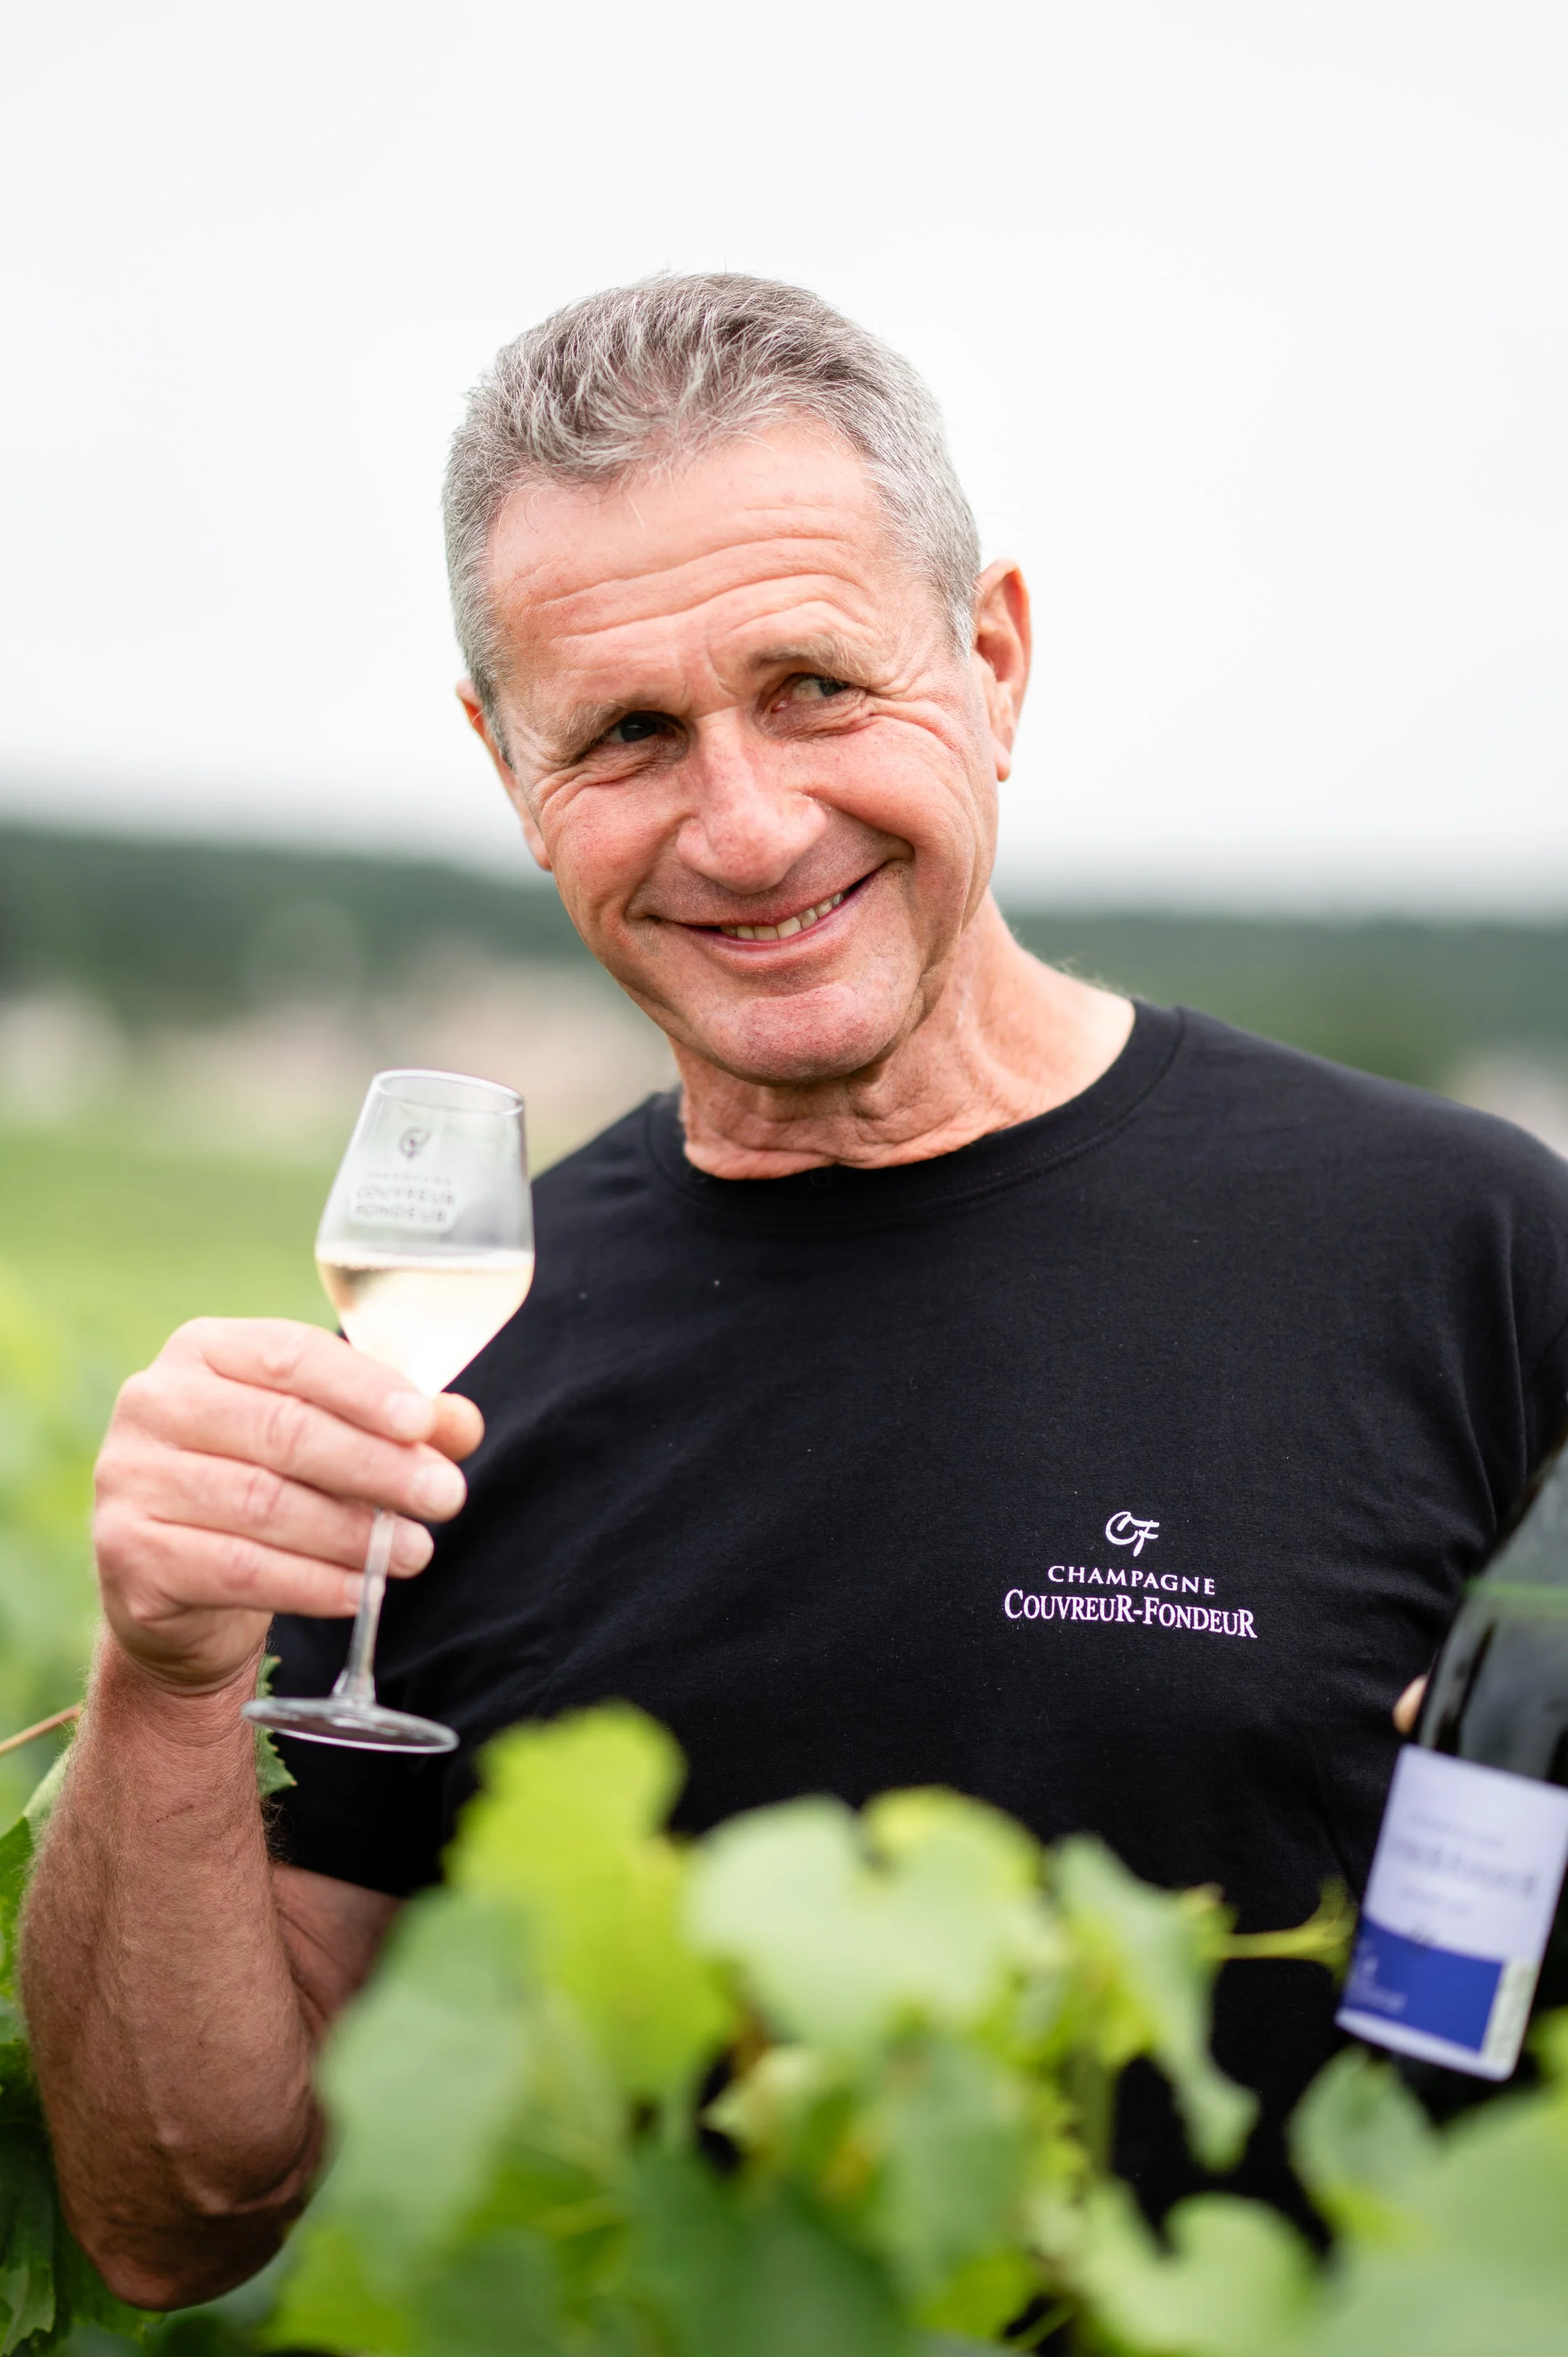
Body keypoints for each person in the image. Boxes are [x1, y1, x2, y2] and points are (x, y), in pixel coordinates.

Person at [22, 275, 1568, 2308]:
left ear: (991, 660)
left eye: (817, 687)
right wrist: (166, 1676)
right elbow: (177, 2209)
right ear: (506, 766)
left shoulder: (1467, 1249)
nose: (746, 828)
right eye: (631, 734)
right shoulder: (445, 1386)